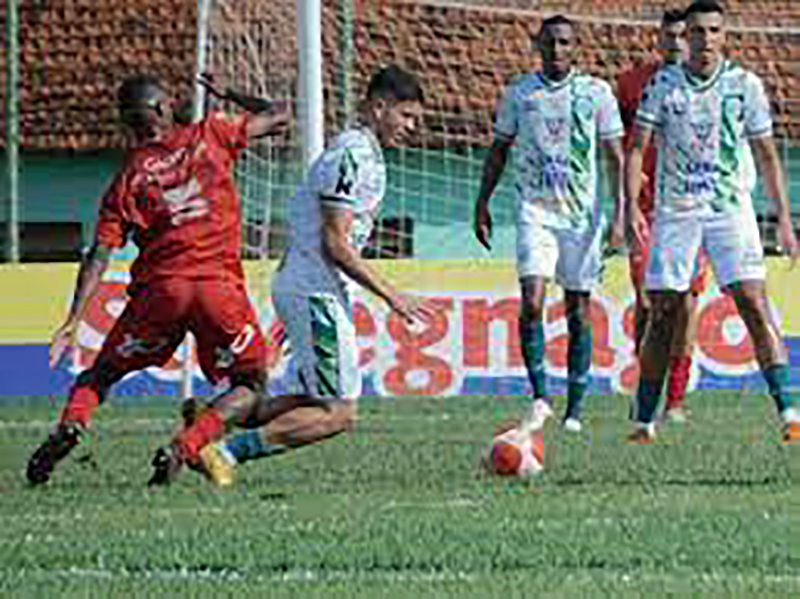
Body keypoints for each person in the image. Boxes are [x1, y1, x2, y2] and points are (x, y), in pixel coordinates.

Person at [155, 64, 433, 487]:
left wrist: (234, 92)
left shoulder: (362, 151)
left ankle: (209, 421)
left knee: (308, 399)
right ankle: (224, 451)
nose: (413, 127)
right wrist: (393, 296)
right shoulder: (352, 155)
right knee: (339, 412)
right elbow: (335, 244)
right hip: (314, 291)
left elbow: (282, 114)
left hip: (313, 288)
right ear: (380, 108)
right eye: (407, 115)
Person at [26, 73, 290, 485]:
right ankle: (185, 447)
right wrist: (230, 94)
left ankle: (72, 424)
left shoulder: (127, 178)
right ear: (166, 108)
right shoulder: (212, 133)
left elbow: (99, 253)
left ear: (126, 124)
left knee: (98, 376)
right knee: (251, 383)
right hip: (217, 290)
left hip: (160, 295)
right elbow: (280, 115)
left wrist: (73, 320)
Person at [627, 0, 799, 443]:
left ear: (726, 35)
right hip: (677, 212)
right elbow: (635, 148)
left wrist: (783, 219)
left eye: (713, 30)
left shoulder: (746, 85)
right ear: (685, 38)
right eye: (696, 32)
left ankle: (790, 413)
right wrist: (629, 209)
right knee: (662, 311)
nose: (705, 39)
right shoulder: (663, 85)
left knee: (753, 303)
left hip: (730, 208)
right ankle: (644, 420)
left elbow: (766, 153)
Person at [474, 15, 626, 433]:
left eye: (565, 43)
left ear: (576, 47)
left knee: (578, 311)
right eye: (550, 42)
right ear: (537, 45)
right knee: (532, 301)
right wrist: (481, 203)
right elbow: (499, 149)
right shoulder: (520, 95)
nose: (557, 50)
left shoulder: (596, 93)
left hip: (582, 216)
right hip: (534, 212)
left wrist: (622, 214)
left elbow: (615, 156)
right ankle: (541, 397)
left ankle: (575, 407)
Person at [618, 8, 709, 423]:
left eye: (681, 35)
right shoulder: (634, 84)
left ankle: (675, 400)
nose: (675, 42)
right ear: (658, 39)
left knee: (688, 302)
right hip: (647, 211)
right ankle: (646, 388)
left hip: (691, 209)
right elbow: (620, 149)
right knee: (648, 302)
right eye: (668, 36)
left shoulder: (709, 87)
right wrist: (625, 203)